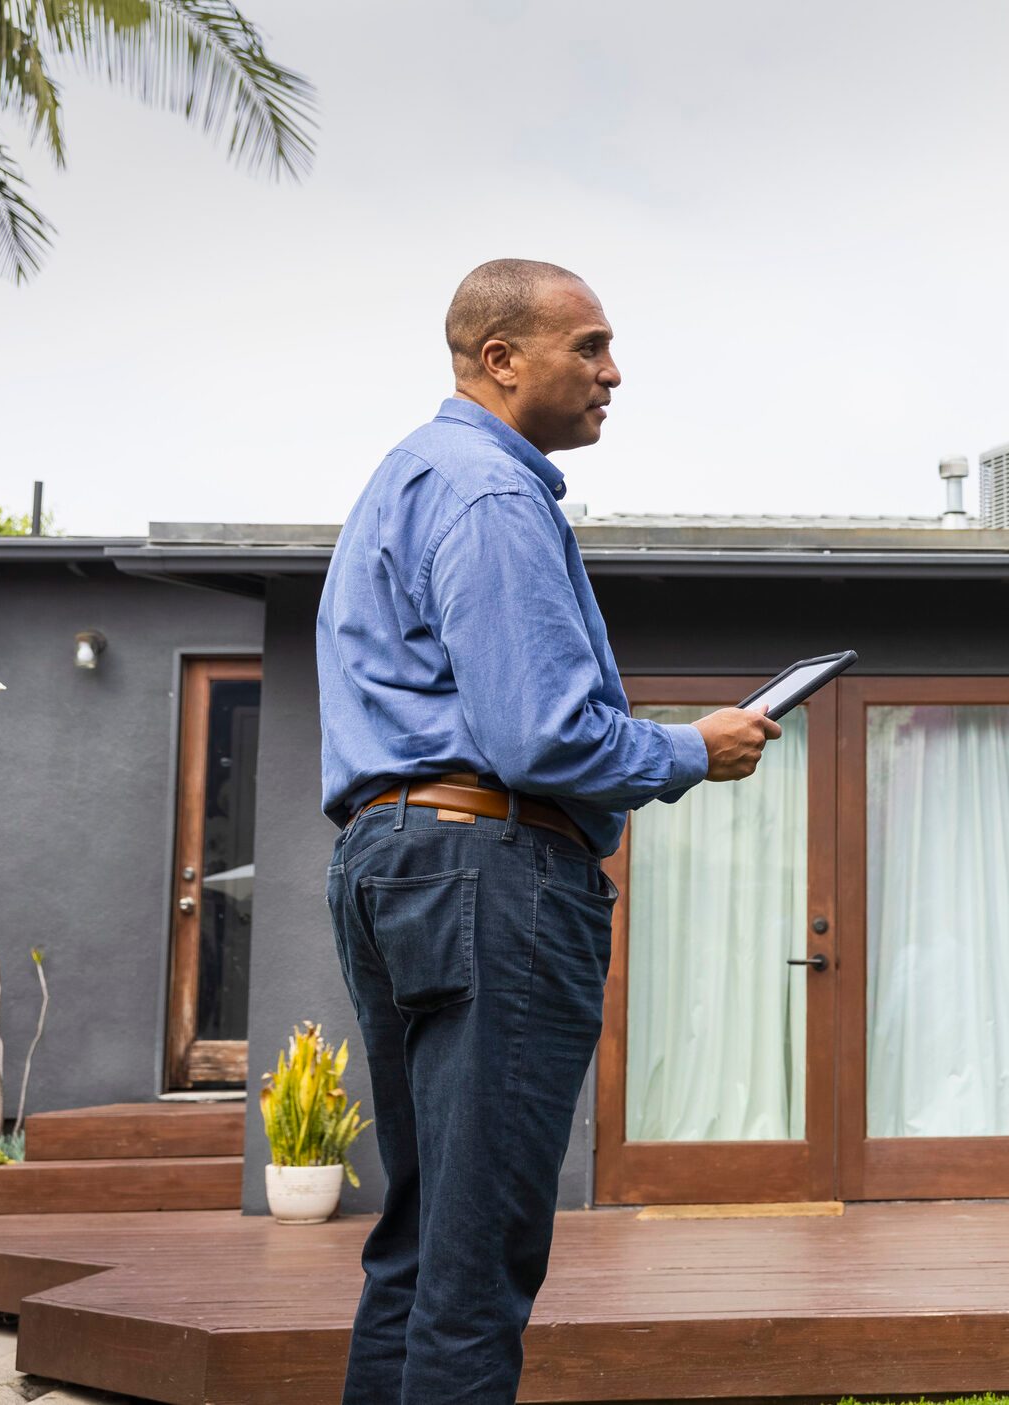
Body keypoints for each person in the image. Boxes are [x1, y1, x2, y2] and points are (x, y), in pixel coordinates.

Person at [316, 258, 780, 1405]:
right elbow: (542, 737)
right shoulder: (492, 493)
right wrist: (693, 748)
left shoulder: (405, 477)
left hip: (397, 860)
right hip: (488, 868)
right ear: (501, 359)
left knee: (424, 1237)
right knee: (477, 1255)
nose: (613, 373)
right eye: (590, 346)